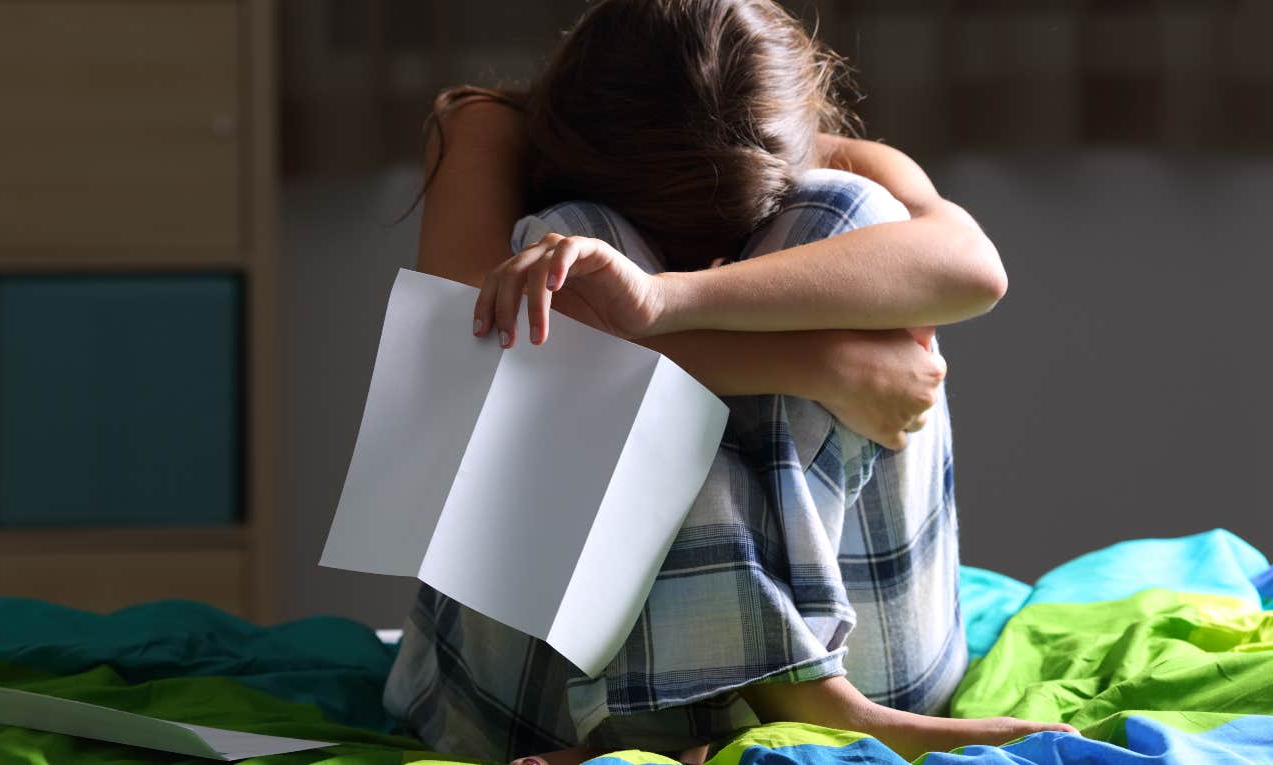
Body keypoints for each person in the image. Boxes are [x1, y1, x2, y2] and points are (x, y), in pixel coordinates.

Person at [383, 1, 1076, 763]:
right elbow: (468, 352)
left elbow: (975, 271)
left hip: (868, 659)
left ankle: (772, 702)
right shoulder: (487, 129)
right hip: (554, 691)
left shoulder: (833, 157)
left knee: (847, 211)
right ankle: (791, 703)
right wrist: (818, 361)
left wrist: (662, 304)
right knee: (571, 246)